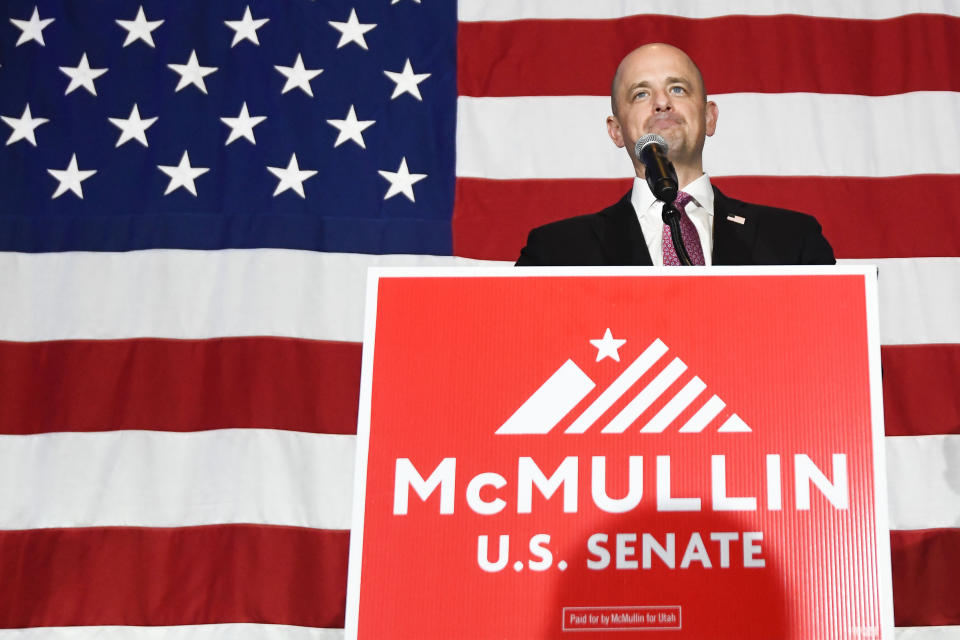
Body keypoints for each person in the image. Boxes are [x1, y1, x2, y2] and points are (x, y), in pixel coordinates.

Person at [516, 43, 835, 266]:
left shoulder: (793, 241)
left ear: (710, 117)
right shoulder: (556, 252)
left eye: (678, 89)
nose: (661, 103)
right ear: (616, 130)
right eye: (640, 93)